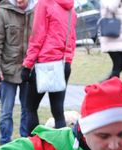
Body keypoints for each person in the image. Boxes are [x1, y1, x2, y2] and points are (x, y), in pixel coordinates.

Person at [20, 0, 76, 133]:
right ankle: (62, 147)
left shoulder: (45, 4)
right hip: (63, 64)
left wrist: (27, 65)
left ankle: (33, 145)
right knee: (58, 111)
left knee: (30, 107)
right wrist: (68, 60)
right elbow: (72, 39)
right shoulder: (71, 10)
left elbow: (37, 36)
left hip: (46, 64)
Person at [0, 0, 36, 145]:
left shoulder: (37, 11)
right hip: (7, 72)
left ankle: (25, 144)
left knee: (27, 110)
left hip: (29, 71)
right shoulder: (2, 12)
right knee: (6, 112)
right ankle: (5, 144)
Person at [99, 0, 122, 80]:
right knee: (117, 65)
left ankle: (105, 83)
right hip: (111, 38)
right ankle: (113, 88)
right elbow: (112, 8)